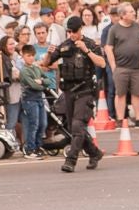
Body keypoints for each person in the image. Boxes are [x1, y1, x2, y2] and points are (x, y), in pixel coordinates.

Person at [45, 16, 108, 173]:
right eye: (69, 32)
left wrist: (86, 50)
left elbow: (102, 63)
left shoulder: (90, 43)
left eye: (74, 31)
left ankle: (71, 160)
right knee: (73, 127)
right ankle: (95, 153)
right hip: (68, 92)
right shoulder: (65, 45)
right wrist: (48, 54)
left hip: (85, 90)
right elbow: (46, 63)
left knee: (78, 125)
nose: (72, 34)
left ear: (81, 29)